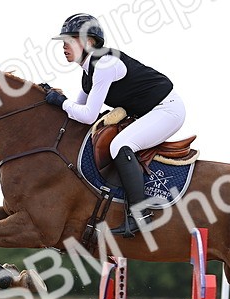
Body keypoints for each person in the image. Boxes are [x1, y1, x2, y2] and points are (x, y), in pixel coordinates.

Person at [39, 13, 186, 238]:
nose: (64, 46)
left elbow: (88, 115)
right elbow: (76, 111)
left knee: (120, 145)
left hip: (167, 110)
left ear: (89, 42)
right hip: (153, 111)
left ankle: (140, 215)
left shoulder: (105, 64)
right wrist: (50, 98)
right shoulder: (89, 72)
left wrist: (60, 101)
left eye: (70, 40)